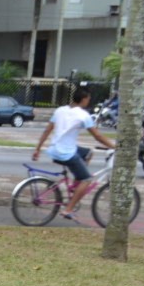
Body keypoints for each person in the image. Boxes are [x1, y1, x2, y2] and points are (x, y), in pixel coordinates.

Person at [32, 87, 115, 221]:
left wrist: (37, 149)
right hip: (66, 153)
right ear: (84, 99)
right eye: (88, 99)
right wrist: (114, 146)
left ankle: (75, 186)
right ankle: (68, 210)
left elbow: (47, 130)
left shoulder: (60, 110)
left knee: (88, 153)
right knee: (87, 180)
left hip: (54, 149)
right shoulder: (83, 115)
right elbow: (97, 136)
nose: (89, 101)